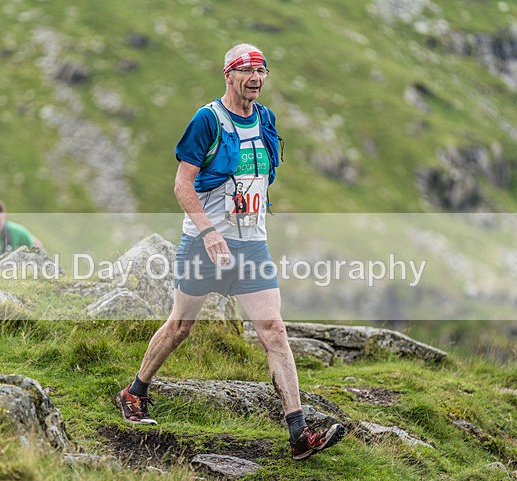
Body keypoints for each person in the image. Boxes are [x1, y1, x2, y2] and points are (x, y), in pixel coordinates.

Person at [115, 44, 345, 460]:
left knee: (274, 330)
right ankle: (135, 392)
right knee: (181, 327)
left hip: (252, 246)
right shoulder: (208, 120)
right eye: (247, 71)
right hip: (205, 244)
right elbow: (182, 184)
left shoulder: (266, 119)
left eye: (261, 71)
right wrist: (209, 232)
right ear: (228, 75)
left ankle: (298, 434)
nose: (256, 78)